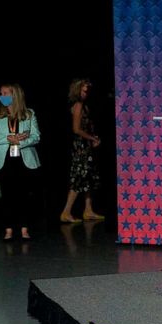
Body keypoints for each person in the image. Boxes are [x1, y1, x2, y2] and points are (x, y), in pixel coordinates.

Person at [0, 84, 41, 241]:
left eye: (5, 93)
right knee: (7, 195)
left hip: (24, 159)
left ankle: (24, 229)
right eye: (0, 93)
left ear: (15, 95)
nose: (2, 95)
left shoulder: (29, 114)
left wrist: (20, 141)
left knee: (24, 194)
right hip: (4, 160)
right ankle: (8, 229)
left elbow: (36, 136)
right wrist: (8, 138)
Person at [59, 78, 104, 223]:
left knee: (88, 177)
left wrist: (93, 138)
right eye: (85, 90)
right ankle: (66, 211)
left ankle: (88, 209)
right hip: (81, 147)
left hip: (87, 146)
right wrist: (91, 138)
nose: (87, 93)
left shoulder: (84, 106)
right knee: (78, 178)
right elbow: (76, 129)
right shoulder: (78, 105)